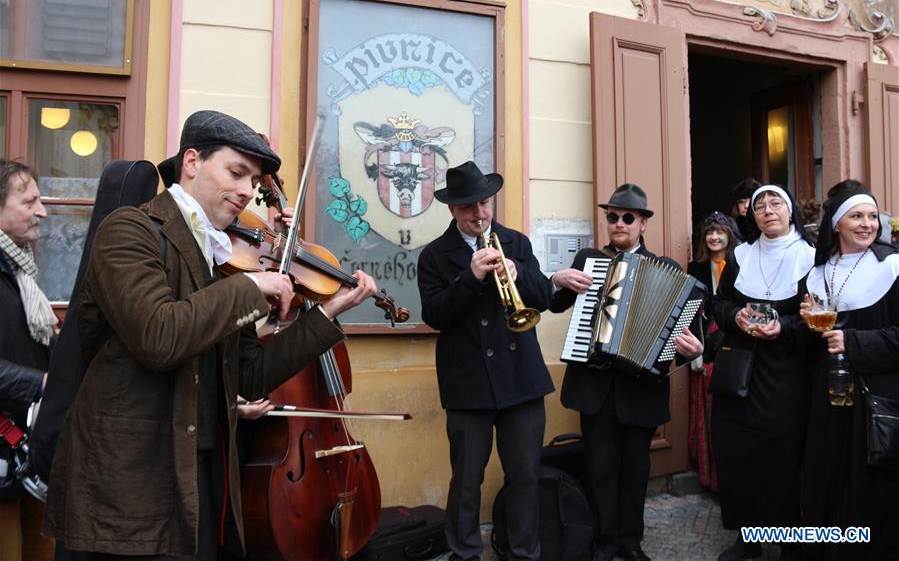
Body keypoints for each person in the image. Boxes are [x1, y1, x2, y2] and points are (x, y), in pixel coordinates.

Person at [43, 110, 378, 560]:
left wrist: (329, 312)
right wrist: (248, 288)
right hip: (130, 481)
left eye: (253, 180)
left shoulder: (220, 259)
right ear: (192, 161)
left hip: (201, 474)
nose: (247, 191)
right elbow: (158, 336)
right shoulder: (130, 230)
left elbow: (251, 375)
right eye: (236, 173)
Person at [549, 183, 703, 561]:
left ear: (643, 224)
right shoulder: (587, 259)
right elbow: (554, 304)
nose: (619, 223)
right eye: (612, 216)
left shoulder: (665, 269)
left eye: (627, 217)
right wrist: (558, 278)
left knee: (635, 473)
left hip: (641, 390)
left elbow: (687, 338)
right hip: (595, 387)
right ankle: (604, 544)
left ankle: (631, 543)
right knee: (600, 469)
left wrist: (691, 351)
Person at [417, 161, 554, 561]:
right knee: (466, 480)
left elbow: (544, 297)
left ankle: (524, 553)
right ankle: (465, 554)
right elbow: (435, 315)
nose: (479, 214)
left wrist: (520, 272)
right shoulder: (434, 256)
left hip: (521, 379)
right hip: (468, 383)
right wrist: (469, 279)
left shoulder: (515, 242)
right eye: (469, 208)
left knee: (526, 476)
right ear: (452, 210)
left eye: (484, 204)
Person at [708, 184, 815, 561]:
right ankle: (750, 536)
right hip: (739, 366)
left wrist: (782, 328)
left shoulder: (810, 258)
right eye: (760, 206)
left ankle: (789, 540)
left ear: (789, 212)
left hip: (785, 373)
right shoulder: (739, 256)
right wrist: (734, 317)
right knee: (739, 451)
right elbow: (717, 304)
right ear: (752, 216)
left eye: (775, 204)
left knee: (783, 455)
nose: (768, 210)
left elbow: (816, 319)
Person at [798, 186, 899, 560]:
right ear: (837, 223)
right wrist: (807, 326)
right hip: (827, 397)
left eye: (873, 217)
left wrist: (853, 343)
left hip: (876, 400)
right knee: (827, 477)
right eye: (857, 216)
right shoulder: (817, 274)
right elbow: (806, 344)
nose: (867, 224)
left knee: (869, 487)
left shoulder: (892, 266)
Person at [0, 159, 55, 561]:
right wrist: (42, 383)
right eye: (29, 201)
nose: (42, 212)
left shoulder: (20, 269)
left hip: (28, 450)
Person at [686, 211, 741, 492]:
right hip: (705, 351)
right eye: (709, 232)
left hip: (735, 350)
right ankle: (710, 478)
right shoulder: (694, 270)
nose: (714, 237)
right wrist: (695, 350)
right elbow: (691, 313)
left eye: (720, 231)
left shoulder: (742, 265)